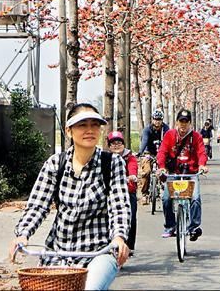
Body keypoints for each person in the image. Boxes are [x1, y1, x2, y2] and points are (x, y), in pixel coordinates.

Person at [9, 103, 131, 291]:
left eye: (94, 125)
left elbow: (119, 206)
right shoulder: (55, 164)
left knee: (91, 288)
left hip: (98, 253)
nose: (89, 130)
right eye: (82, 125)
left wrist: (119, 237)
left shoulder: (112, 163)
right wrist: (23, 234)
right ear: (69, 131)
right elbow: (37, 205)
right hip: (59, 253)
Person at [157, 109, 208, 240]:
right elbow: (162, 152)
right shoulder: (169, 135)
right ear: (177, 122)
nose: (183, 125)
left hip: (191, 173)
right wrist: (162, 167)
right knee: (166, 198)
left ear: (190, 123)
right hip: (174, 173)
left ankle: (194, 227)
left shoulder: (196, 137)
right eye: (181, 121)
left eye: (186, 122)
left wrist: (202, 165)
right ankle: (170, 226)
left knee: (195, 199)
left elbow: (202, 152)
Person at [107, 130, 138, 254]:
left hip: (128, 191)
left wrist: (132, 176)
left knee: (131, 218)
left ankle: (129, 246)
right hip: (110, 193)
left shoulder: (129, 157)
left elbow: (132, 167)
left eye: (119, 143)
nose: (116, 145)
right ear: (109, 146)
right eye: (113, 143)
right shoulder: (105, 158)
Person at [138, 109, 170, 205]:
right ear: (152, 119)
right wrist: (140, 152)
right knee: (146, 171)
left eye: (159, 119)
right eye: (155, 119)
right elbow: (145, 141)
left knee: (167, 171)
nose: (157, 121)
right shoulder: (147, 129)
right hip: (149, 153)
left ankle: (168, 191)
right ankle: (144, 194)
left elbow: (168, 141)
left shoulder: (166, 129)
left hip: (162, 153)